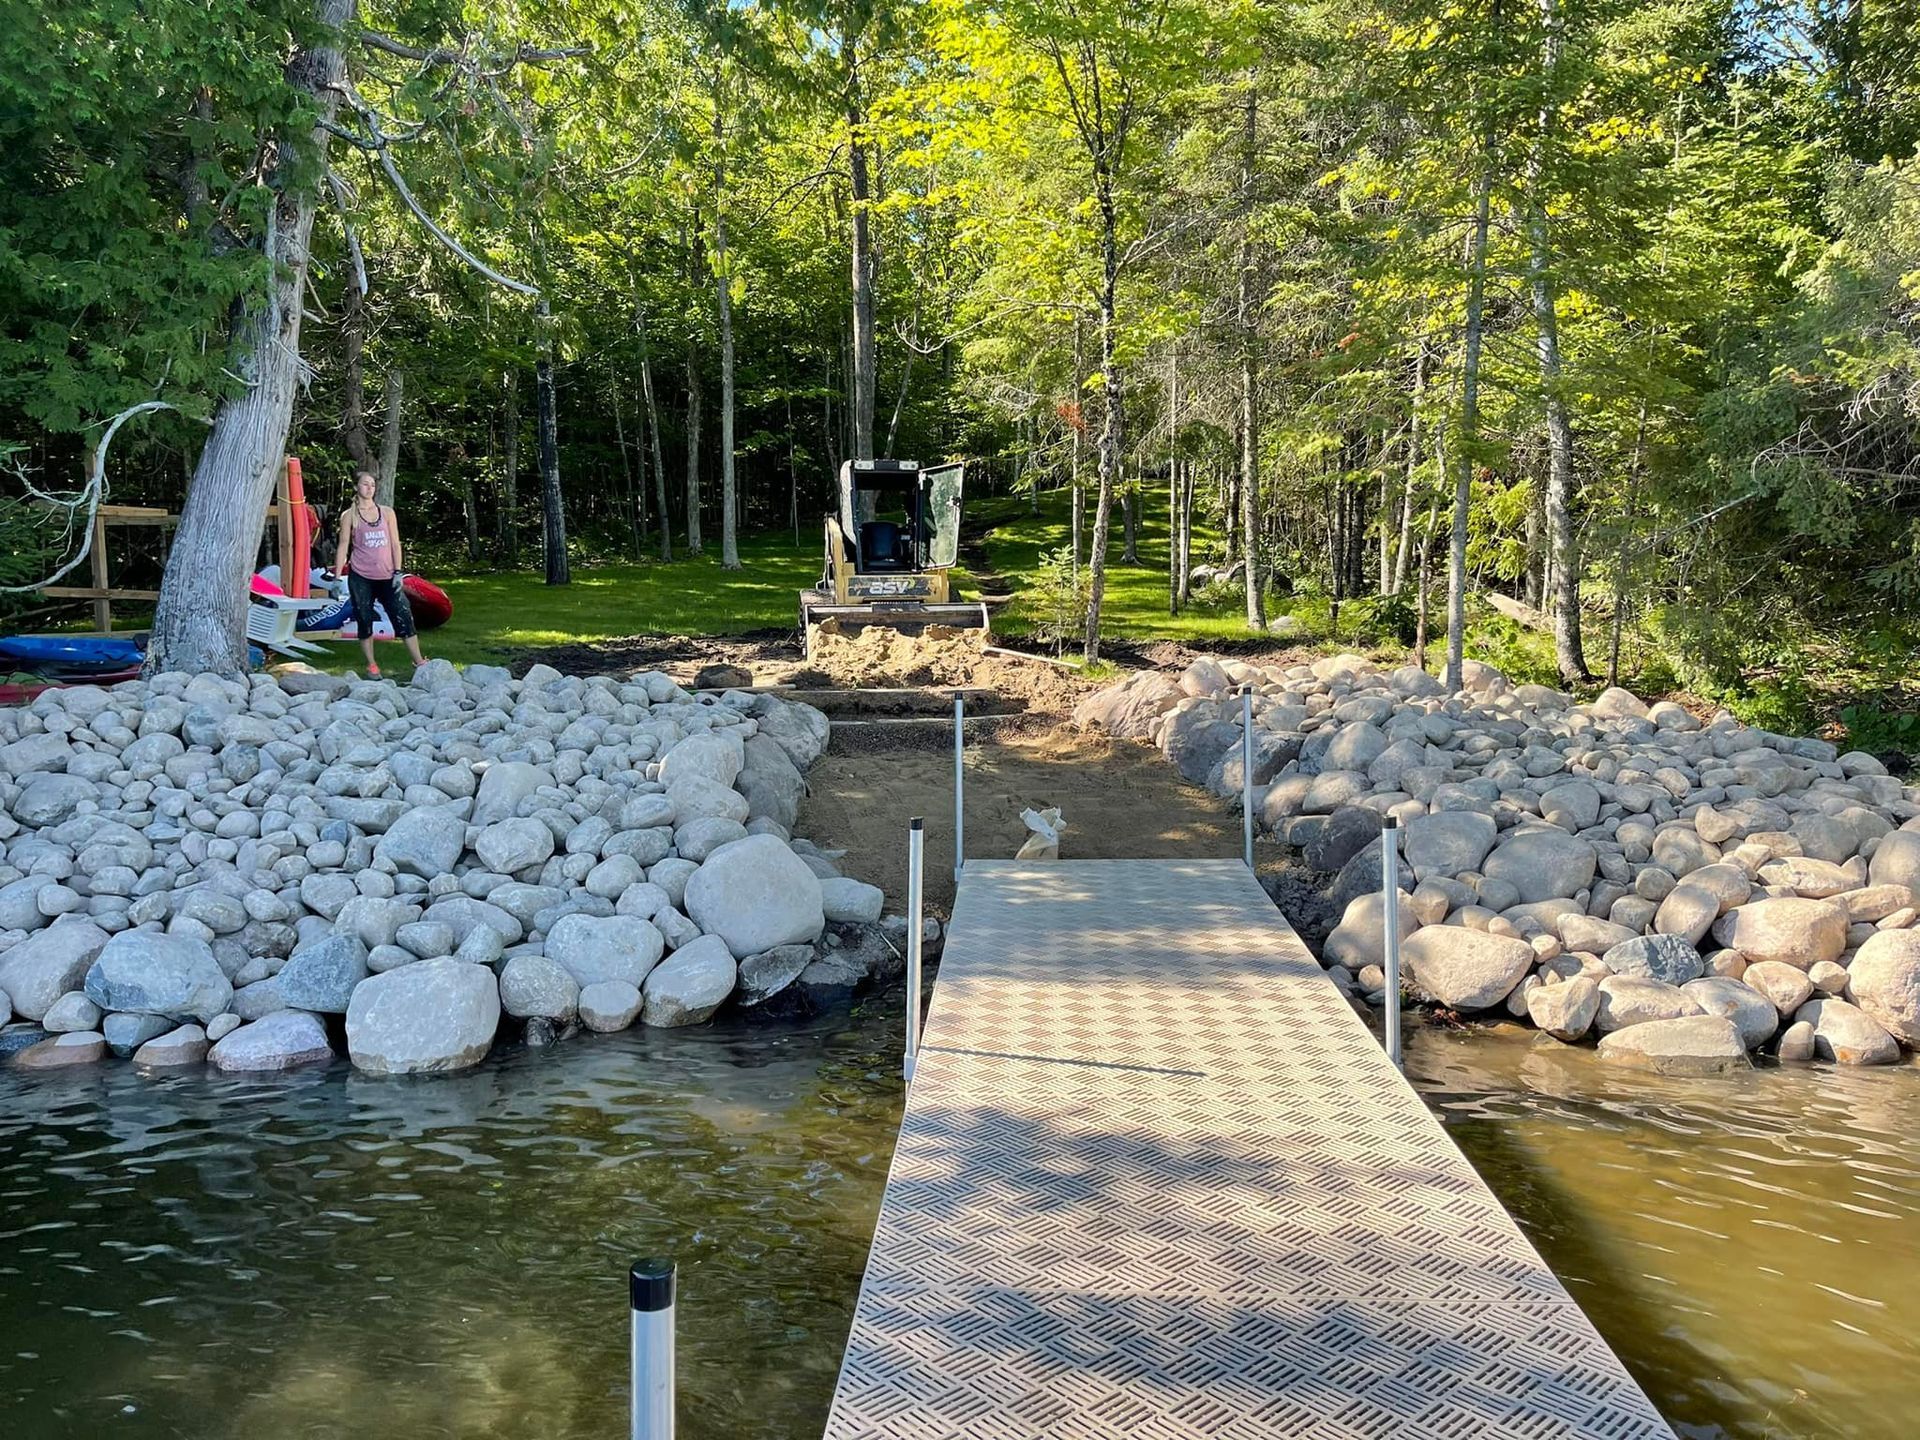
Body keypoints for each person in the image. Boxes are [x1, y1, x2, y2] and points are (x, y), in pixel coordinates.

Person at [333, 470, 425, 679]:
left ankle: (419, 661)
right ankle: (372, 665)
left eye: (372, 485)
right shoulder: (349, 516)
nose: (369, 488)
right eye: (365, 484)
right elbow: (343, 545)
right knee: (364, 619)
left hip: (387, 576)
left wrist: (398, 572)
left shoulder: (387, 513)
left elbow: (395, 543)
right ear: (357, 487)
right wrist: (337, 578)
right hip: (361, 577)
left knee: (403, 615)